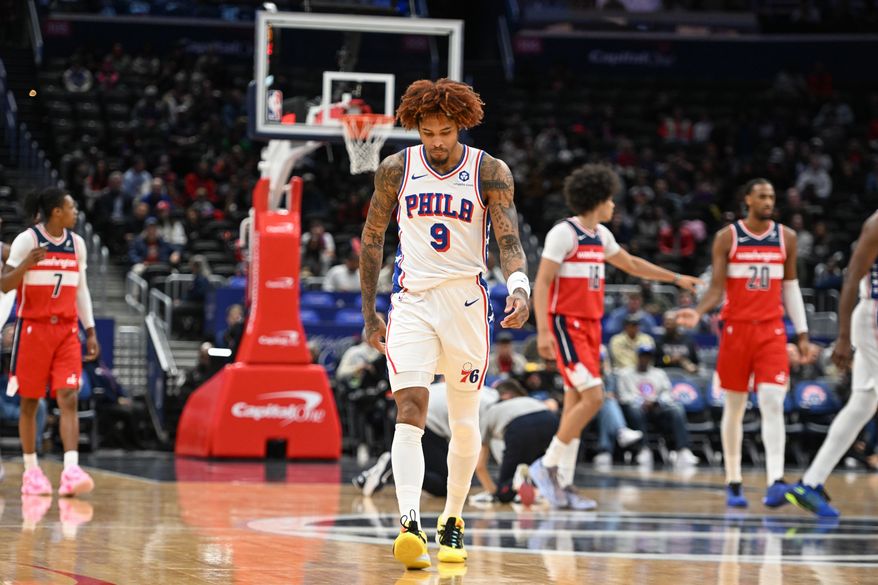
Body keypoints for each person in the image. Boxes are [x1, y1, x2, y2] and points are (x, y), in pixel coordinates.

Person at [359, 78, 530, 570]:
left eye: (445, 131)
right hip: (411, 301)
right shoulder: (396, 168)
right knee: (410, 406)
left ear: (462, 126)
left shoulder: (489, 171)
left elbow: (510, 240)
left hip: (466, 302)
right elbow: (372, 240)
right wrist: (370, 313)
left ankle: (452, 518)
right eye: (428, 131)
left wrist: (519, 287)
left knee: (463, 418)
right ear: (416, 127)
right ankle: (409, 522)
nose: (436, 141)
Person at [529, 163, 701, 510]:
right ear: (596, 198)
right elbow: (543, 282)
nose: (614, 205)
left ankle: (563, 482)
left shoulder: (602, 236)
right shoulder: (564, 233)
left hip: (592, 327)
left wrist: (675, 278)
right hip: (567, 325)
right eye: (609, 199)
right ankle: (546, 466)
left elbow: (633, 264)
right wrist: (545, 331)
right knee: (594, 398)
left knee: (575, 406)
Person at [677, 178, 815, 509]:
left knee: (772, 401)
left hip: (771, 331)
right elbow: (716, 289)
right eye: (762, 196)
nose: (769, 200)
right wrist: (697, 313)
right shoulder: (728, 237)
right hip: (736, 330)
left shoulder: (787, 238)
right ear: (748, 200)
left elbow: (791, 287)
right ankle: (734, 480)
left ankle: (775, 481)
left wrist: (803, 334)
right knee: (735, 407)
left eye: (772, 195)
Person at [0, 187, 100, 497]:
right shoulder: (27, 240)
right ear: (57, 211)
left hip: (67, 330)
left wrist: (91, 330)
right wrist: (26, 264)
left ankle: (71, 469)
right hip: (34, 329)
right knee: (31, 402)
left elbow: (80, 289)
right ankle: (32, 471)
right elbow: (4, 285)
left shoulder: (77, 244)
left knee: (68, 396)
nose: (75, 213)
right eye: (71, 208)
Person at [786, 211, 878, 518]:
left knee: (863, 405)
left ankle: (810, 483)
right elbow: (852, 277)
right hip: (874, 315)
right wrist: (842, 337)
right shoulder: (876, 223)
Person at [615, 345, 700, 468]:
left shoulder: (659, 373)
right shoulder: (625, 374)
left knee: (676, 408)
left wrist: (656, 401)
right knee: (634, 409)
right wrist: (641, 401)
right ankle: (643, 449)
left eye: (648, 356)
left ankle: (683, 450)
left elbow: (667, 393)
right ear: (638, 357)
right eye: (643, 356)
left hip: (657, 408)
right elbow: (623, 396)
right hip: (637, 409)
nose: (645, 359)